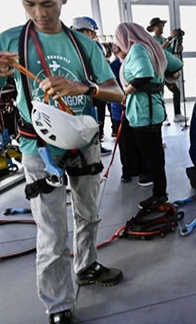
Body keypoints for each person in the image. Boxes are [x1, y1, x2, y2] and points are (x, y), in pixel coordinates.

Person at [0, 0, 124, 324]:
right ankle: (59, 306)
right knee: (51, 232)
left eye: (48, 3)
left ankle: (87, 266)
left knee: (88, 215)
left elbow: (119, 92)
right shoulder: (10, 43)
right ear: (20, 0)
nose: (40, 13)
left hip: (82, 144)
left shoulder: (83, 45)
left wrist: (84, 87)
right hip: (38, 151)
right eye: (30, 4)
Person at [114, 22, 183, 208]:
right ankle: (160, 191)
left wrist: (126, 92)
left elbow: (143, 75)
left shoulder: (137, 50)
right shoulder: (153, 47)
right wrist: (159, 78)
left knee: (152, 156)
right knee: (156, 154)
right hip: (154, 110)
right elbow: (177, 64)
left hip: (143, 112)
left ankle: (159, 194)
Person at [109, 47, 151, 185]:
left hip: (136, 109)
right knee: (125, 143)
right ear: (116, 52)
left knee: (139, 141)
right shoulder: (113, 66)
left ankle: (142, 169)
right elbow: (111, 87)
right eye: (121, 50)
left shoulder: (137, 63)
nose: (125, 53)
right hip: (119, 110)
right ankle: (127, 170)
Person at [71, 16, 112, 156]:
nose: (91, 35)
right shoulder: (73, 47)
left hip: (96, 86)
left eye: (92, 32)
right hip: (81, 89)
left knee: (98, 115)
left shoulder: (94, 46)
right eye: (89, 32)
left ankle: (97, 143)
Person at [147, 17, 186, 123]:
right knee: (160, 94)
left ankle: (177, 114)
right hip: (157, 71)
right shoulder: (152, 40)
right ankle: (163, 116)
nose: (161, 27)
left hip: (167, 71)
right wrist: (170, 39)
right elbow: (159, 49)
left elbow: (170, 53)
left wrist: (178, 49)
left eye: (162, 26)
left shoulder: (165, 40)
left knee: (176, 92)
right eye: (159, 26)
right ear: (153, 28)